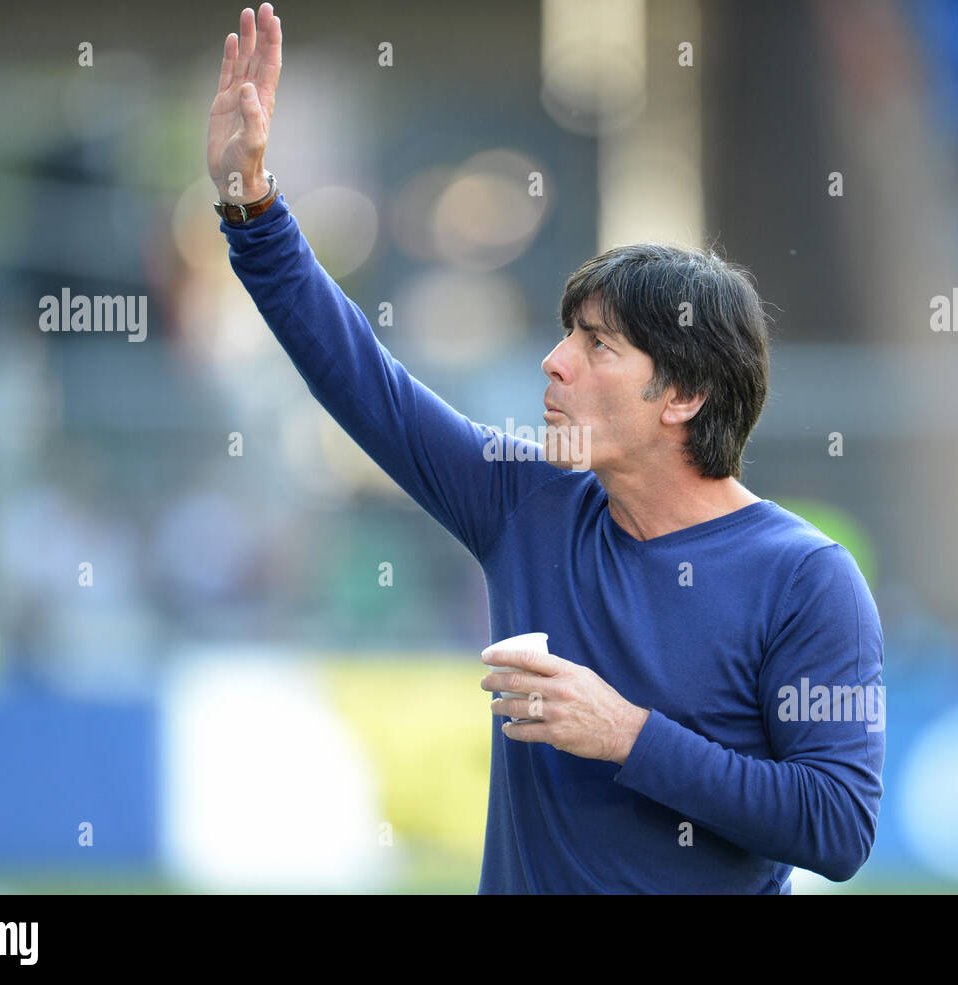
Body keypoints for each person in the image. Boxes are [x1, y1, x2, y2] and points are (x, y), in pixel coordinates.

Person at [209, 4, 884, 893]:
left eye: (597, 344)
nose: (554, 361)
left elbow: (838, 826)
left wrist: (627, 734)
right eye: (568, 334)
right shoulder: (527, 501)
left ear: (683, 394)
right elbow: (362, 381)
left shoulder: (806, 577)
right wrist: (249, 206)